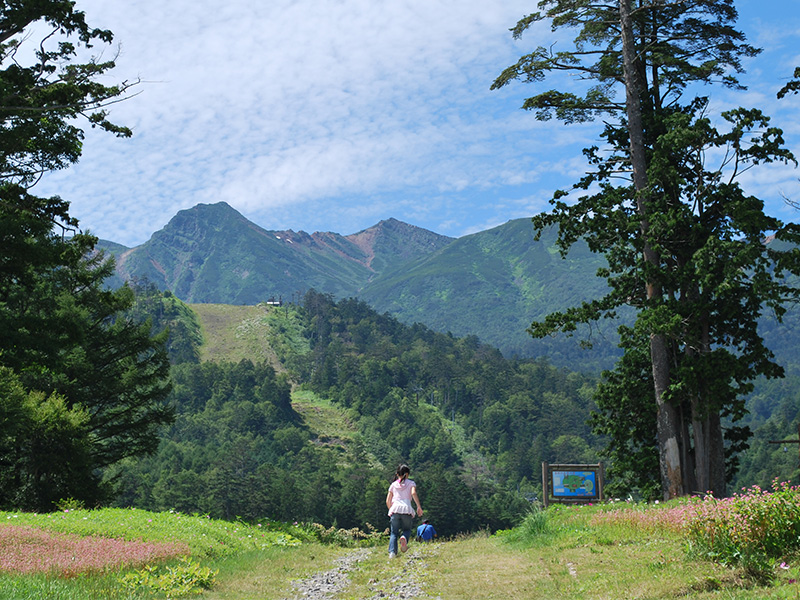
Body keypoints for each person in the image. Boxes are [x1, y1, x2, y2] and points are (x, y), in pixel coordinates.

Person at [385, 464, 423, 558]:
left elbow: (388, 501)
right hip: (407, 509)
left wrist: (391, 510)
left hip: (395, 509)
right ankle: (404, 538)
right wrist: (418, 506)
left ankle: (392, 553)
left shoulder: (393, 485)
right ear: (407, 474)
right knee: (407, 529)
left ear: (397, 474)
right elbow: (413, 493)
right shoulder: (411, 483)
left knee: (394, 532)